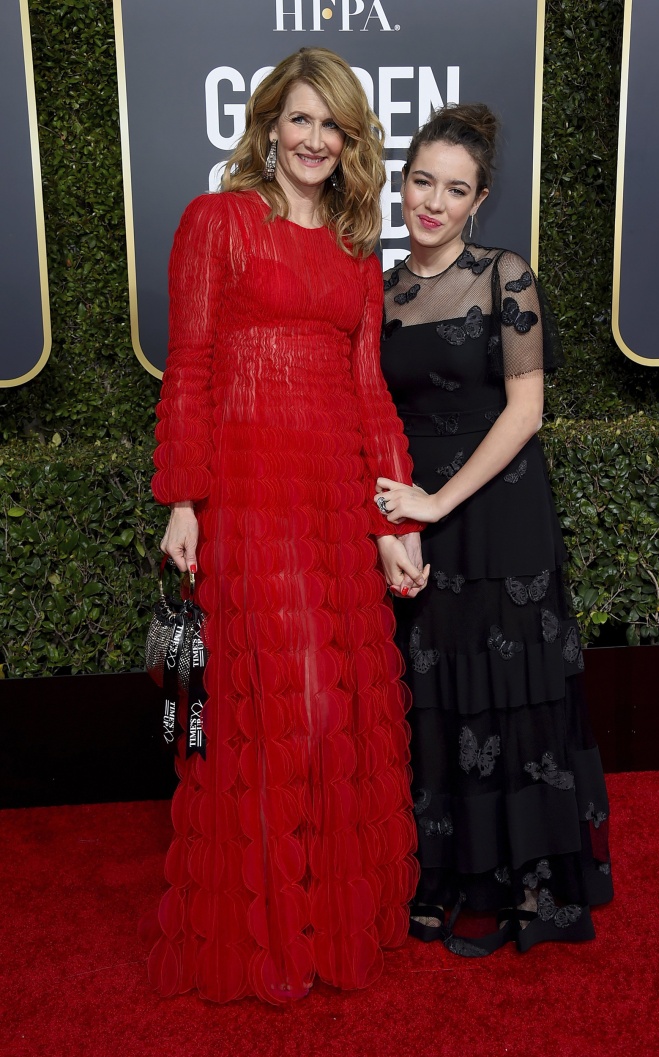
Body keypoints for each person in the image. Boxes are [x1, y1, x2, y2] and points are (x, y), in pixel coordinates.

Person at [147, 47, 428, 1004]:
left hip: (332, 495)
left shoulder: (358, 253)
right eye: (300, 120)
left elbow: (369, 387)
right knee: (276, 707)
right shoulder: (217, 220)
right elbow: (186, 362)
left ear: (351, 142)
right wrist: (183, 497)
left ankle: (319, 921)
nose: (314, 140)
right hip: (249, 496)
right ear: (270, 124)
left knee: (328, 711)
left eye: (333, 126)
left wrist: (392, 513)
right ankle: (267, 926)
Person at [375, 103, 613, 956]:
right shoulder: (379, 291)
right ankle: (446, 874)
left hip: (499, 508)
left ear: (479, 200)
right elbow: (369, 418)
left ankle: (529, 881)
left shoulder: (504, 275)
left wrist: (439, 503)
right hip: (413, 512)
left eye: (455, 189)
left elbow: (527, 410)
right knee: (436, 695)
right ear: (401, 183)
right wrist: (397, 517)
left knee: (511, 693)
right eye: (421, 181)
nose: (432, 201)